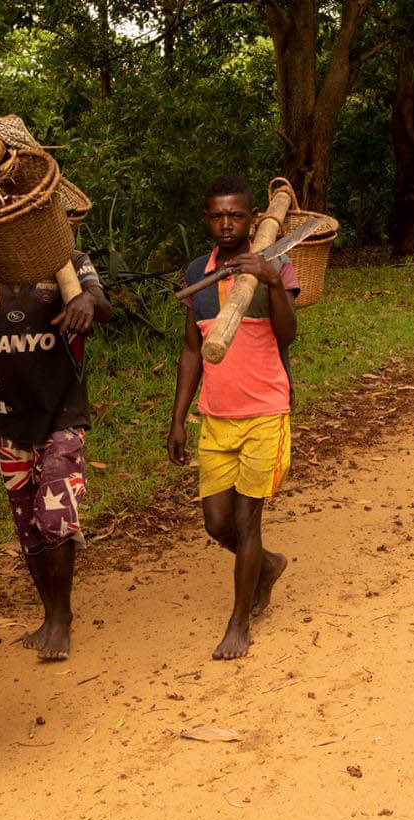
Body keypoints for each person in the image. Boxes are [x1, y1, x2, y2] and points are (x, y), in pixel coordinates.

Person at [166, 175, 300, 660]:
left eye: (236, 215)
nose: (226, 224)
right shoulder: (198, 273)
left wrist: (268, 281)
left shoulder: (275, 265)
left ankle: (239, 620)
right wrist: (178, 419)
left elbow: (288, 335)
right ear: (207, 219)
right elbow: (191, 349)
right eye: (217, 215)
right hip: (217, 417)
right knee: (216, 522)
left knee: (246, 518)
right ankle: (265, 566)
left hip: (265, 412)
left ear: (252, 219)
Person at [0, 251, 111, 661]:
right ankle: (50, 613)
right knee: (28, 527)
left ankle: (62, 619)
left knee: (55, 519)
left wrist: (87, 301)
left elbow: (102, 305)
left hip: (63, 414)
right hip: (6, 418)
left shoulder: (68, 263)